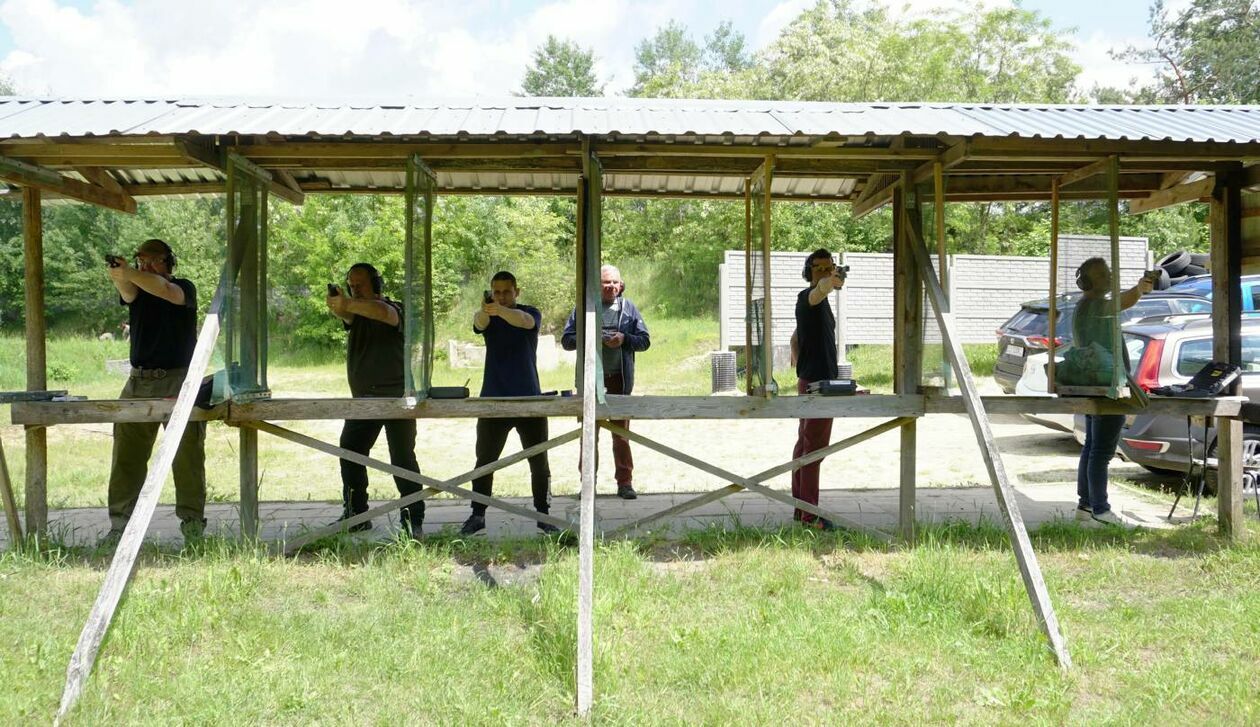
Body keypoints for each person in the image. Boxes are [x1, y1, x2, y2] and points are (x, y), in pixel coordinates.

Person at [104, 238, 207, 546]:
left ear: (167, 262)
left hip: (179, 380)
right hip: (139, 381)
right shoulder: (137, 288)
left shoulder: (183, 287)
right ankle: (120, 526)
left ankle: (192, 526)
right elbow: (128, 290)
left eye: (151, 261)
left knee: (186, 456)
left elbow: (165, 290)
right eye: (140, 260)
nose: (145, 266)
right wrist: (122, 275)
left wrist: (129, 271)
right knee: (127, 456)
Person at [326, 262, 424, 538]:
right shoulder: (355, 314)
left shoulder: (394, 309)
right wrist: (339, 303)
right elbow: (346, 313)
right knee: (350, 451)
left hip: (397, 398)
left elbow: (382, 312)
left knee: (402, 459)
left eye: (360, 285)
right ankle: (357, 514)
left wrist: (346, 302)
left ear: (377, 285)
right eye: (351, 286)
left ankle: (412, 519)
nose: (355, 290)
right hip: (363, 398)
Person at [461, 271, 559, 535]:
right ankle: (478, 514)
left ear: (517, 291)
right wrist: (487, 310)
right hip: (493, 399)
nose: (501, 296)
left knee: (539, 462)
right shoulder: (489, 315)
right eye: (496, 292)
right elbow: (479, 323)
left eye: (506, 291)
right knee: (485, 461)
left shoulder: (529, 312)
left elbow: (525, 322)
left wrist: (500, 310)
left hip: (529, 398)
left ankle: (543, 514)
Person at [1071, 257, 1155, 527]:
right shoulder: (1094, 305)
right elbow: (1122, 302)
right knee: (1101, 452)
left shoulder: (1084, 305)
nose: (1109, 277)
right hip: (1107, 385)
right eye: (1104, 274)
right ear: (1090, 281)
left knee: (1092, 449)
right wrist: (1139, 289)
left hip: (1097, 382)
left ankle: (1086, 505)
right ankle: (1100, 509)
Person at [561, 264, 651, 499]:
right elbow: (567, 341)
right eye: (605, 282)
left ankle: (625, 483)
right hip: (591, 380)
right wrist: (591, 338)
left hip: (620, 381)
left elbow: (644, 341)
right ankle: (588, 485)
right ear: (597, 285)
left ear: (621, 285)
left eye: (614, 283)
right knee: (589, 434)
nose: (610, 287)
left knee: (621, 435)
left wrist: (624, 338)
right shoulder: (584, 308)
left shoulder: (629, 309)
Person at [791, 248, 845, 531]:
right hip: (818, 385)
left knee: (805, 447)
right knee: (812, 451)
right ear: (809, 271)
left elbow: (799, 332)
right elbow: (816, 293)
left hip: (817, 382)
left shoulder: (820, 303)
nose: (825, 273)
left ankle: (802, 509)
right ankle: (809, 515)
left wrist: (795, 348)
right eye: (819, 268)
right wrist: (828, 282)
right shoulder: (809, 296)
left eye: (830, 267)